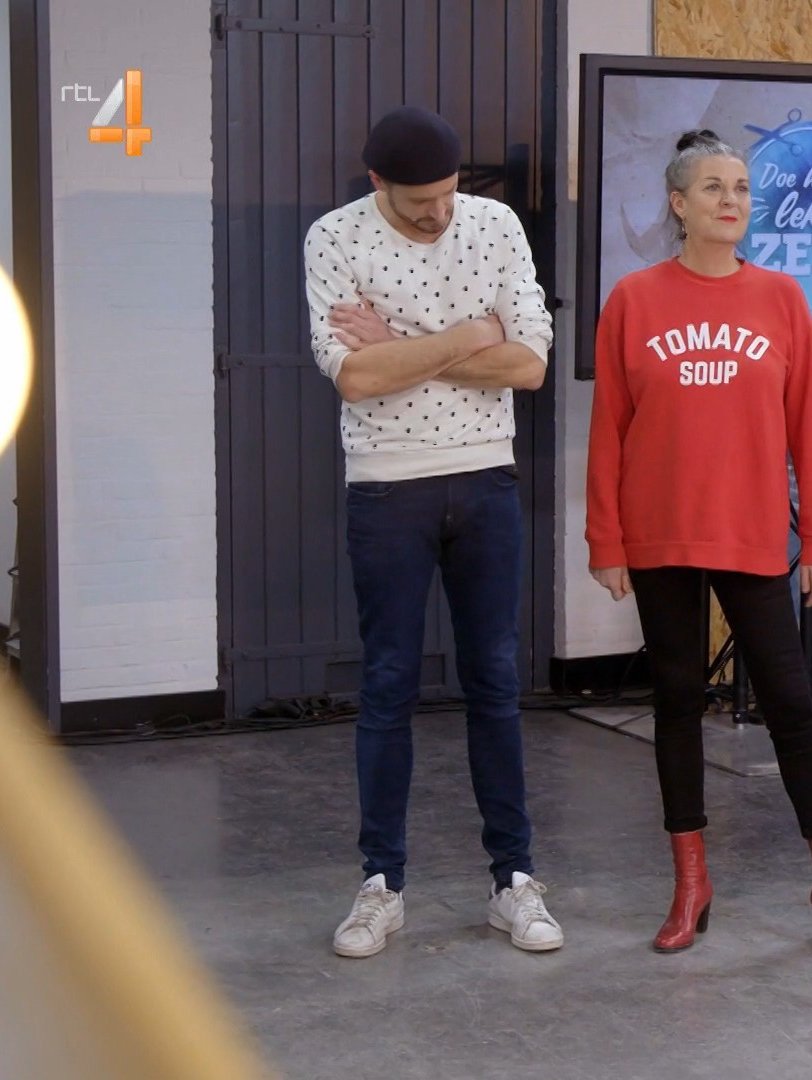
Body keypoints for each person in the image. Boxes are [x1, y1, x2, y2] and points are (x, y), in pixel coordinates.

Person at [586, 130, 812, 960]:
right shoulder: (633, 299)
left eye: (742, 188)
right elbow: (610, 427)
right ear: (679, 204)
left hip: (751, 532)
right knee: (677, 702)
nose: (732, 200)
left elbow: (808, 427)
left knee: (789, 703)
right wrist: (605, 537)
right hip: (659, 533)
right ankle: (691, 884)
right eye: (713, 187)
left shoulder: (782, 299)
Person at [303, 105, 560, 958]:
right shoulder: (334, 238)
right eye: (419, 202)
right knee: (387, 684)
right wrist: (468, 335)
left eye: (448, 195)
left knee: (495, 681)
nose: (439, 214)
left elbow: (529, 364)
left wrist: (402, 344)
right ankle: (381, 886)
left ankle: (513, 881)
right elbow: (354, 377)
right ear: (378, 182)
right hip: (386, 485)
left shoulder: (495, 225)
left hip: (486, 478)